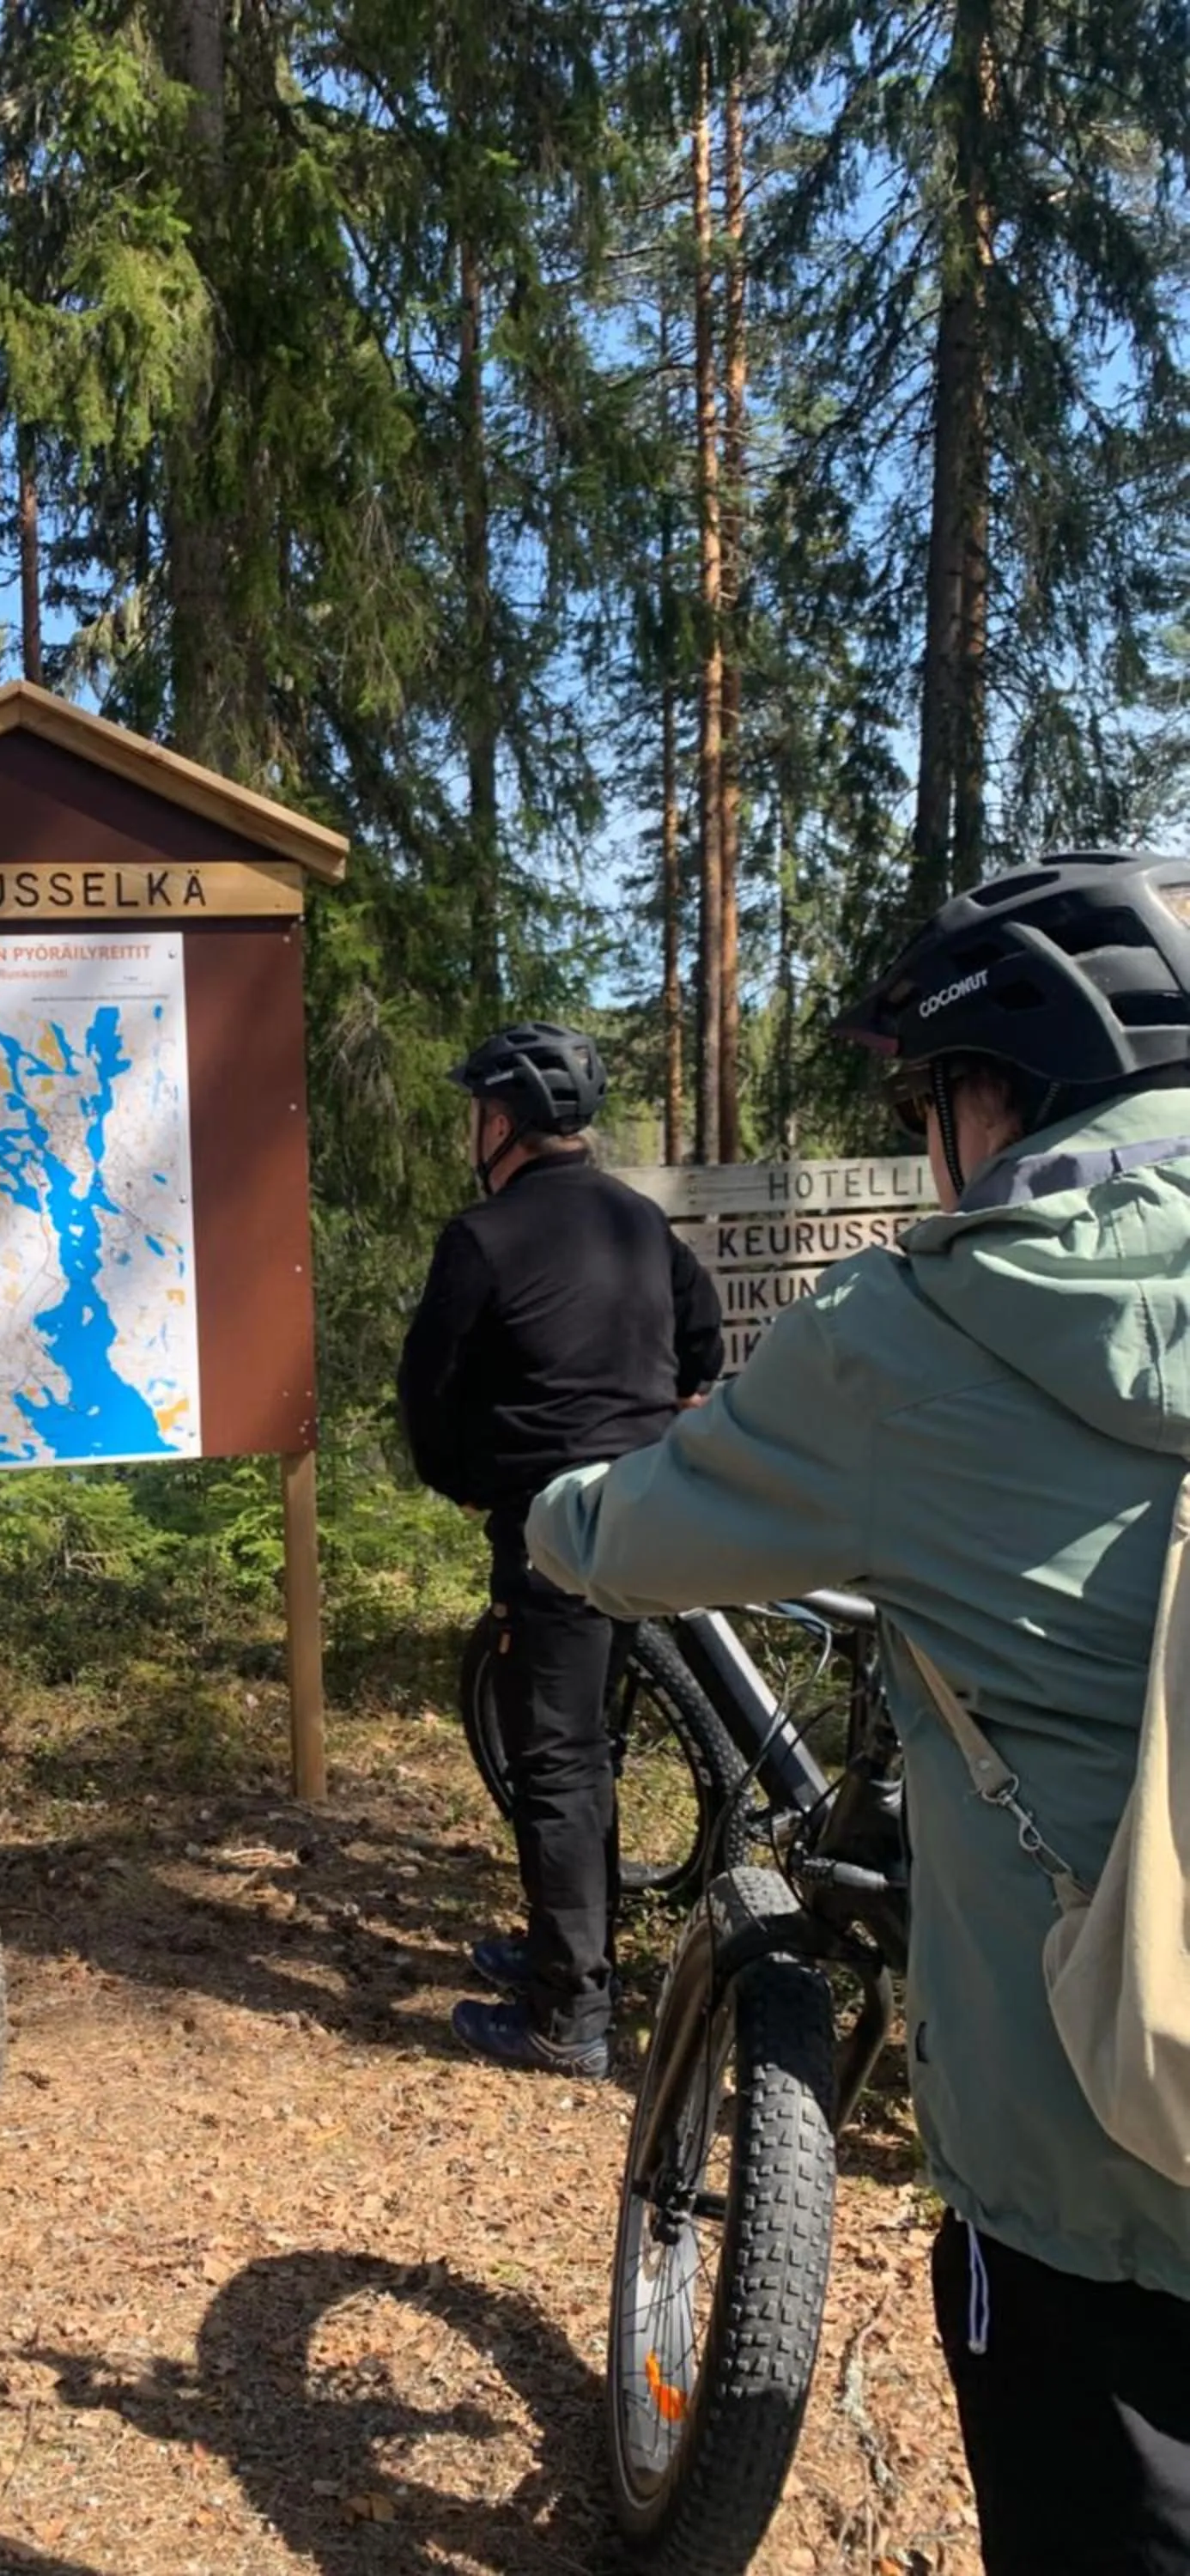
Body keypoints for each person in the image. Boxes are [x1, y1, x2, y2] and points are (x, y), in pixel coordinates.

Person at [525, 852, 1190, 2575]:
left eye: (928, 1095)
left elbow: (634, 1534)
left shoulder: (929, 1325)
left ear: (1001, 1089)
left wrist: (553, 1510)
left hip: (1112, 2187)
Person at [396, 1024, 725, 2075]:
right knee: (593, 1744)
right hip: (654, 1513)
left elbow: (427, 1392)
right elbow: (703, 1339)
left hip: (554, 1533)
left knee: (559, 1763)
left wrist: (463, 1483)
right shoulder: (639, 1221)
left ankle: (569, 2015)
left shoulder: (482, 1238)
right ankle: (562, 1950)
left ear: (500, 1123)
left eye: (474, 1117)